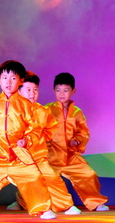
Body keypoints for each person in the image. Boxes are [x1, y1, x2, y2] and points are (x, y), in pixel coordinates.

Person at [0, 61, 54, 219]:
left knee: (34, 177)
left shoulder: (26, 105)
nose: (8, 82)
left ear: (20, 81)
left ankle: (43, 209)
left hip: (19, 157)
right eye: (5, 78)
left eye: (13, 78)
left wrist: (27, 140)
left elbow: (33, 129)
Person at [9, 72, 81, 215]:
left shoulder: (43, 111)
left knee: (52, 178)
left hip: (37, 155)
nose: (32, 94)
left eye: (35, 90)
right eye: (28, 90)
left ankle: (67, 206)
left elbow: (49, 131)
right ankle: (24, 202)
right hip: (14, 156)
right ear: (19, 91)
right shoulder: (10, 110)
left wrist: (34, 140)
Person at [44, 73, 109, 212]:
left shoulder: (77, 113)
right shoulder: (47, 110)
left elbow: (83, 132)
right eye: (58, 90)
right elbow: (40, 129)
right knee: (43, 179)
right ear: (54, 90)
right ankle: (23, 201)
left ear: (73, 91)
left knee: (88, 174)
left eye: (65, 90)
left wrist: (77, 141)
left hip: (70, 156)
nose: (61, 94)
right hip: (51, 156)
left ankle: (95, 202)